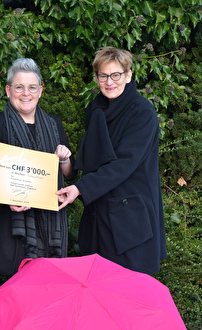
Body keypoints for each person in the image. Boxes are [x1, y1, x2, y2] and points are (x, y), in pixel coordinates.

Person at [57, 46, 167, 275]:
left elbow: (124, 164)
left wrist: (80, 188)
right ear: (96, 78)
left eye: (116, 74)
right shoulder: (95, 110)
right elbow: (90, 162)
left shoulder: (142, 112)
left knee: (126, 293)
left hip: (129, 222)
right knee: (94, 290)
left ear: (128, 75)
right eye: (103, 76)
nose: (109, 82)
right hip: (98, 215)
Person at [0, 57, 74, 277]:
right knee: (11, 293)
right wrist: (8, 199)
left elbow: (68, 174)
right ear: (8, 90)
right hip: (9, 228)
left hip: (49, 226)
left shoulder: (54, 124)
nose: (26, 93)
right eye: (19, 87)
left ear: (40, 91)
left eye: (32, 87)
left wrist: (64, 159)